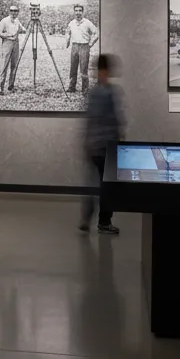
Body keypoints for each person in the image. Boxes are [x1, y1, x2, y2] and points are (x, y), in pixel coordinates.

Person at [79, 54, 123, 234]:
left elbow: (89, 119)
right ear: (107, 70)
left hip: (93, 145)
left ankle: (86, 219)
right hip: (106, 146)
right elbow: (116, 121)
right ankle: (104, 222)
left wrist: (86, 142)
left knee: (93, 184)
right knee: (107, 187)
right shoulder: (111, 92)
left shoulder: (94, 92)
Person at [66, 3, 100, 93]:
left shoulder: (87, 22)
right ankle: (71, 87)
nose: (78, 13)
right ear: (74, 12)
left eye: (80, 11)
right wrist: (67, 42)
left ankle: (85, 89)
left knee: (83, 69)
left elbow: (96, 33)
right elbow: (68, 33)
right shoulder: (71, 23)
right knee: (73, 68)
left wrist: (91, 43)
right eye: (76, 11)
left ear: (83, 12)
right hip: (74, 46)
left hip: (84, 46)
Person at [0, 4, 26, 95]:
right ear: (9, 11)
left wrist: (24, 29)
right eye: (12, 11)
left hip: (16, 43)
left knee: (14, 66)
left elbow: (22, 29)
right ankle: (0, 89)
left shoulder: (17, 21)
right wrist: (7, 35)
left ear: (18, 13)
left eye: (15, 11)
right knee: (4, 66)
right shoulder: (4, 21)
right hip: (7, 43)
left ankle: (11, 86)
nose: (13, 13)